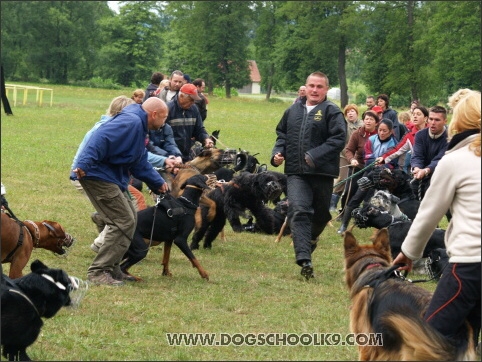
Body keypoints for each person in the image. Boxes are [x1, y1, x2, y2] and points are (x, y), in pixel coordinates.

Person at [392, 90, 481, 354]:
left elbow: (428, 215)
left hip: (469, 266)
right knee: (467, 341)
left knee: (426, 339)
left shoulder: (454, 160)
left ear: (458, 121)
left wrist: (408, 253)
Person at [72, 97, 170, 286]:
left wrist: (157, 182)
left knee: (131, 218)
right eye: (164, 118)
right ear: (154, 114)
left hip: (109, 176)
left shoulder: (138, 125)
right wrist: (83, 164)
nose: (164, 122)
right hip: (96, 175)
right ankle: (98, 271)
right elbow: (101, 136)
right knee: (122, 221)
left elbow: (139, 161)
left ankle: (114, 269)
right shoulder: (131, 121)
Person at [271, 71, 346, 280]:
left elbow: (339, 139)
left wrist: (314, 155)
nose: (314, 90)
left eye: (319, 87)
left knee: (321, 215)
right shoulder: (292, 110)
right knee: (299, 209)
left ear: (326, 89)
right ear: (305, 87)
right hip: (296, 173)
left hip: (322, 173)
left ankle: (310, 240)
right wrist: (278, 154)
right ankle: (304, 258)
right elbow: (282, 135)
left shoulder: (332, 111)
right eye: (311, 86)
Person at [338, 119, 398, 234]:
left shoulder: (394, 143)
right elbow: (367, 156)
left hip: (384, 176)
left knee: (376, 201)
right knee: (357, 197)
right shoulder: (371, 139)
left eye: (385, 131)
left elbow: (392, 161)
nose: (381, 133)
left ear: (390, 132)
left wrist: (382, 164)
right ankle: (344, 225)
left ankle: (381, 228)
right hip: (369, 172)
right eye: (380, 130)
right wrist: (375, 160)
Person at [338, 110, 379, 219]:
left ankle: (364, 216)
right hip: (358, 166)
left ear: (376, 123)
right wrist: (352, 159)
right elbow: (349, 150)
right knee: (349, 191)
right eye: (366, 119)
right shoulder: (357, 133)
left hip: (372, 169)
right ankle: (343, 212)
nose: (368, 121)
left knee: (368, 195)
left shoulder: (380, 135)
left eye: (371, 119)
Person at [166, 83, 214, 162]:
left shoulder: (194, 109)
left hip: (187, 155)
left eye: (194, 100)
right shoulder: (168, 109)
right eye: (191, 100)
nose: (192, 103)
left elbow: (199, 129)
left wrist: (206, 138)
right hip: (171, 157)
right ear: (181, 96)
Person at [410, 105, 448, 201]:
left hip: (441, 176)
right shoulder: (420, 135)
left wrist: (426, 170)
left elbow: (440, 159)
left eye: (437, 120)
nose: (433, 123)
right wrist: (417, 168)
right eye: (430, 119)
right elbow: (417, 155)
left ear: (445, 121)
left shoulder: (449, 138)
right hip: (421, 173)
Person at [330, 104, 363, 213]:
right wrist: (350, 156)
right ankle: (332, 203)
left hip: (359, 158)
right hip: (344, 155)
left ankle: (349, 207)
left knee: (354, 182)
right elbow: (342, 143)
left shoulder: (362, 125)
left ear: (357, 113)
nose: (350, 113)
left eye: (352, 111)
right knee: (342, 178)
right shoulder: (343, 125)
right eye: (348, 112)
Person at [376, 106, 428, 174]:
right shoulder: (409, 135)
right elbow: (397, 149)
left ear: (425, 118)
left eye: (418, 114)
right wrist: (383, 158)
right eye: (413, 114)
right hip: (417, 169)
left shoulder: (433, 131)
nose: (415, 116)